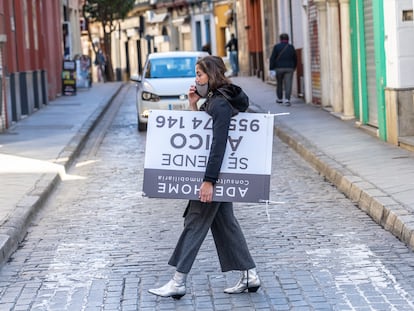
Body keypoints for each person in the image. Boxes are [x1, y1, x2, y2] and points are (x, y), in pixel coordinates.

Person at [148, 56, 260, 300]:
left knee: (195, 221)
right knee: (226, 223)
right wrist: (193, 105)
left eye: (199, 74)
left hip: (214, 176)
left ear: (211, 75)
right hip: (221, 175)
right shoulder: (218, 99)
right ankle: (250, 275)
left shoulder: (219, 103)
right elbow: (202, 129)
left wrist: (209, 181)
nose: (195, 79)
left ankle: (178, 281)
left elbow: (218, 144)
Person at [269, 33, 297, 106]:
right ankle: (287, 99)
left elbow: (272, 58)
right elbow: (295, 58)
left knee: (279, 84)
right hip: (289, 68)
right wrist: (294, 67)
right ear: (288, 39)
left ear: (280, 39)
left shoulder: (276, 47)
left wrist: (271, 68)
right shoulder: (291, 47)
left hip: (279, 68)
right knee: (288, 84)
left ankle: (280, 99)